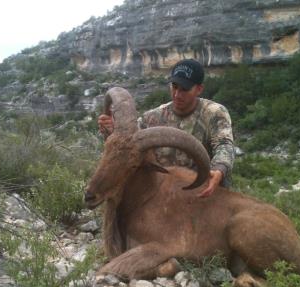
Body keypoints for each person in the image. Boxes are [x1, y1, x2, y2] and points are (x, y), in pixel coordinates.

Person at [98, 59, 235, 197]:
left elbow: (224, 145)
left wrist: (219, 169)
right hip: (163, 194)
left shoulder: (214, 113)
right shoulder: (152, 117)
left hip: (202, 190)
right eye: (174, 86)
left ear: (199, 89)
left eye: (184, 89)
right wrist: (112, 130)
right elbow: (128, 145)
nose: (177, 94)